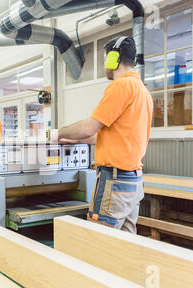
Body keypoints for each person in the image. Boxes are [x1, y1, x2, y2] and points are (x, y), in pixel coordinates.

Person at [49, 36, 153, 233]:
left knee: (99, 242)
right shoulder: (143, 91)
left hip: (114, 182)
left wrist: (57, 133)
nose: (105, 65)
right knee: (125, 242)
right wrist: (75, 138)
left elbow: (89, 127)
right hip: (133, 181)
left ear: (114, 59)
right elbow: (107, 136)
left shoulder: (121, 86)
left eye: (105, 59)